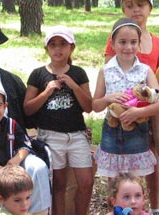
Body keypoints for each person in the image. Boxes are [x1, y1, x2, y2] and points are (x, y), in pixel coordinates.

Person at [24, 25, 94, 215]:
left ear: (72, 47)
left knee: (86, 182)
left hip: (76, 134)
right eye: (53, 44)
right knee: (59, 184)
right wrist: (47, 91)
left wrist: (73, 85)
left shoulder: (78, 73)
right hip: (51, 135)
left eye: (63, 44)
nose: (58, 49)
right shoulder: (38, 74)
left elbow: (89, 106)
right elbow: (28, 108)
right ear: (46, 48)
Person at [104, 2, 159, 213]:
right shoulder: (118, 38)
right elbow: (112, 76)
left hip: (149, 105)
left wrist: (144, 109)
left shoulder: (156, 41)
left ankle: (152, 206)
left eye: (140, 5)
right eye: (129, 5)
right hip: (123, 110)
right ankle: (119, 206)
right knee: (128, 158)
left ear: (150, 9)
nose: (136, 10)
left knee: (153, 158)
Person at [93, 17, 159, 183]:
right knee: (114, 185)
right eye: (122, 42)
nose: (128, 47)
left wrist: (139, 112)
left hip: (137, 132)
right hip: (111, 131)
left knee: (135, 184)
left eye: (133, 42)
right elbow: (95, 105)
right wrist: (108, 98)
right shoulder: (106, 71)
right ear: (113, 44)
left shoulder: (145, 71)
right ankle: (115, 209)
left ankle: (136, 210)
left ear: (139, 44)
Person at [0, 80, 51, 215]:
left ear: (5, 106)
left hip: (13, 182)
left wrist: (16, 159)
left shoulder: (11, 124)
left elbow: (25, 145)